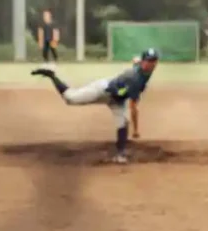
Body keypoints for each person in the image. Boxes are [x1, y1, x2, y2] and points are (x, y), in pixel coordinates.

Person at [30, 49, 159, 164]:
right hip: (104, 90)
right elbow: (133, 107)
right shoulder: (135, 79)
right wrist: (136, 130)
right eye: (149, 61)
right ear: (144, 62)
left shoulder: (144, 69)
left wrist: (137, 61)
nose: (152, 64)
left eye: (154, 61)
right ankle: (52, 74)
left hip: (117, 99)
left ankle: (121, 155)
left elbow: (135, 60)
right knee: (70, 99)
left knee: (123, 123)